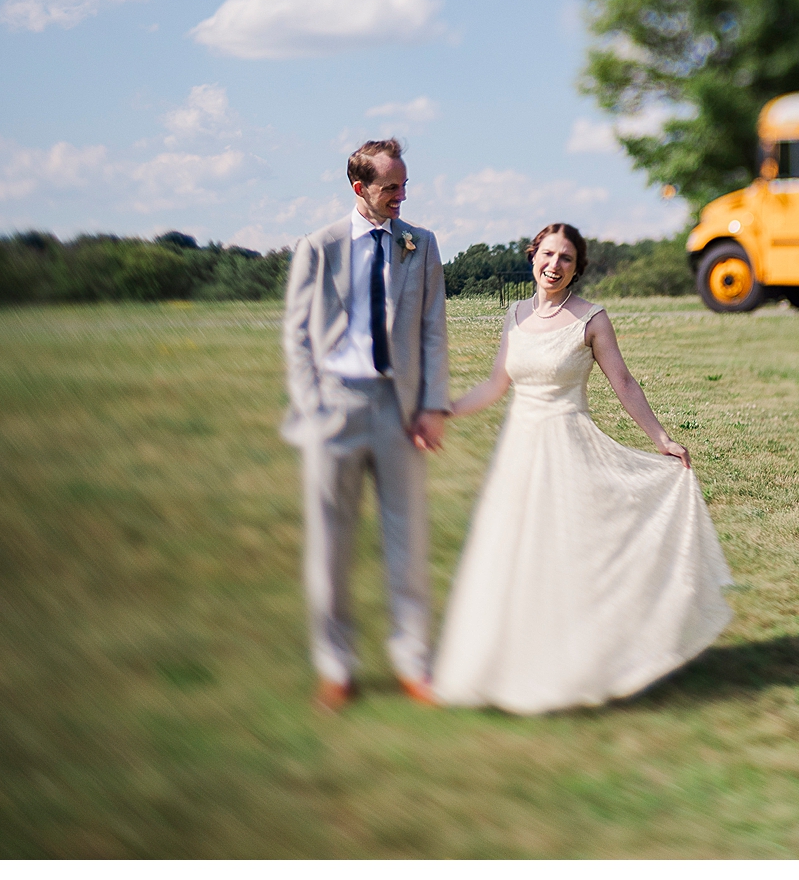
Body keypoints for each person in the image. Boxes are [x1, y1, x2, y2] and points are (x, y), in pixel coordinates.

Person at [431, 222, 734, 714]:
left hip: (569, 448)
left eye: (566, 258)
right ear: (533, 256)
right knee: (513, 555)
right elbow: (495, 386)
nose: (554, 266)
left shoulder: (591, 318)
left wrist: (662, 438)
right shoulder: (514, 315)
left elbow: (624, 381)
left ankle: (583, 662)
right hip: (519, 455)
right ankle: (511, 664)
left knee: (571, 555)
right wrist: (447, 408)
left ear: (577, 267)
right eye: (547, 254)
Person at [279, 139, 450, 712]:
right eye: (390, 188)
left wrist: (432, 405)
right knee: (330, 544)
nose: (401, 196)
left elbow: (432, 330)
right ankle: (336, 667)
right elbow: (298, 334)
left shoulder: (419, 244)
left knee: (407, 539)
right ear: (360, 189)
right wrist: (312, 406)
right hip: (335, 406)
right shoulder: (319, 247)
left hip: (397, 410)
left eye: (404, 186)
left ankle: (413, 663)